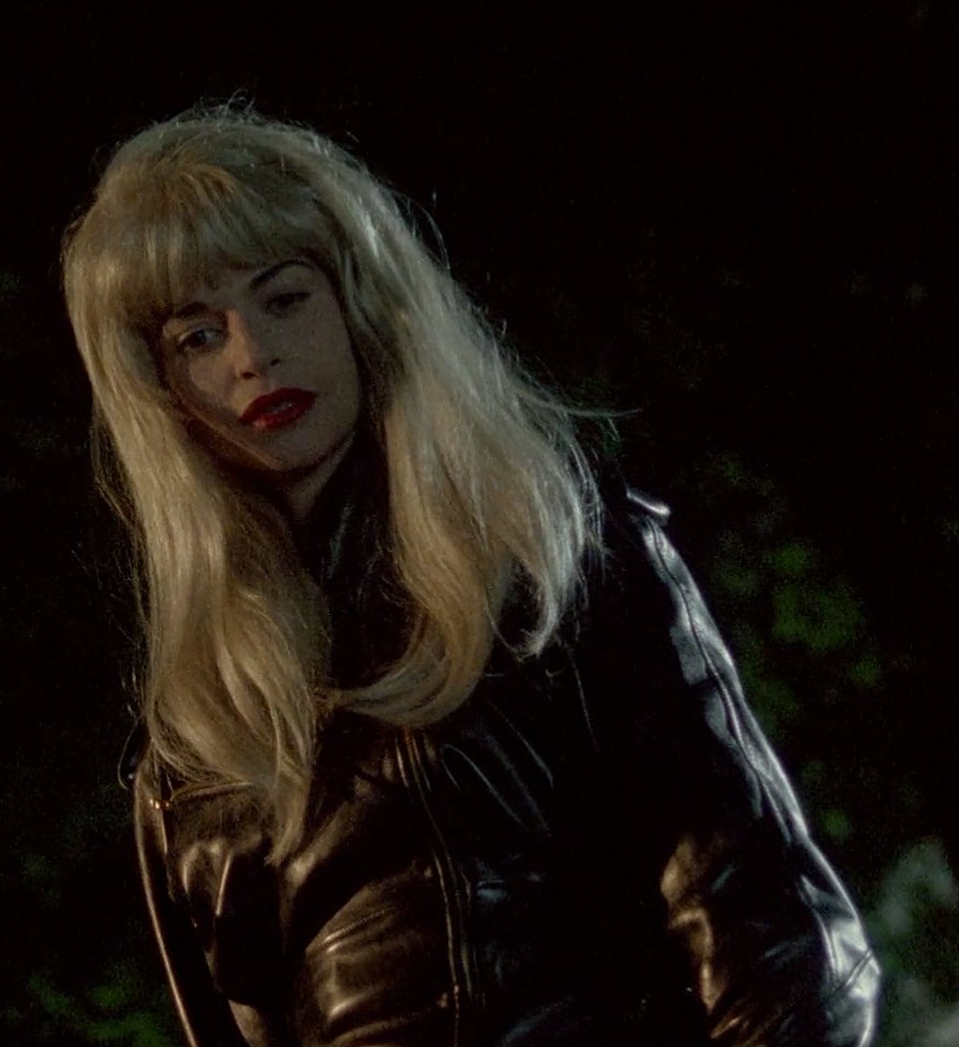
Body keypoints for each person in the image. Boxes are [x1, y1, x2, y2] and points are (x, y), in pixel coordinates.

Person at [59, 106, 880, 1047]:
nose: (253, 356)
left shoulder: (557, 567)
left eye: (283, 298)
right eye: (197, 337)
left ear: (360, 302)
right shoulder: (191, 757)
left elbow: (778, 949)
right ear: (157, 391)